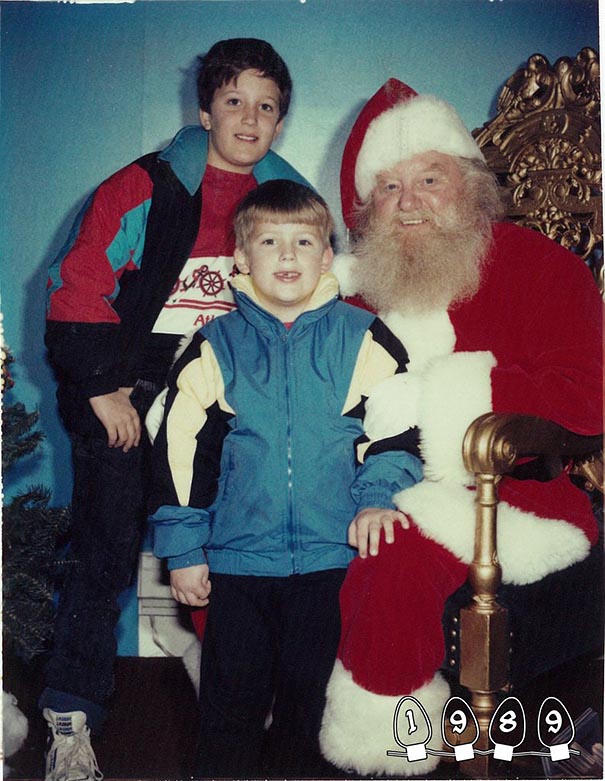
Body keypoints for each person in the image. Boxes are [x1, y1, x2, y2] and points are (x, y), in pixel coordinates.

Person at [41, 38, 309, 781]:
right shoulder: (145, 184)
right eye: (234, 102)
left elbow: (319, 300)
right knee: (106, 551)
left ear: (280, 121)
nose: (249, 119)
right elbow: (79, 283)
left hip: (232, 389)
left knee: (248, 550)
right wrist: (99, 387)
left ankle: (241, 699)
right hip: (133, 384)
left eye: (266, 106)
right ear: (204, 109)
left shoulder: (290, 199)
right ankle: (71, 713)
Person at [319, 79, 604, 777]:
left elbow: (589, 399)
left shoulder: (540, 267)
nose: (408, 200)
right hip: (361, 480)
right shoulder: (347, 287)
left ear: (470, 186)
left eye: (427, 178)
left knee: (391, 555)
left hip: (500, 495)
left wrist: (441, 396)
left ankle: (385, 746)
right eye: (387, 187)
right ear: (365, 208)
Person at [148, 179, 423, 779]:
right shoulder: (214, 347)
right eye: (271, 241)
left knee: (311, 710)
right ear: (242, 258)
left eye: (305, 240)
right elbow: (179, 455)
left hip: (331, 562)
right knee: (230, 708)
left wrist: (376, 499)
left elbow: (400, 431)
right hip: (239, 565)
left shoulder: (363, 338)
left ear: (327, 256)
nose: (290, 255)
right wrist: (184, 547)